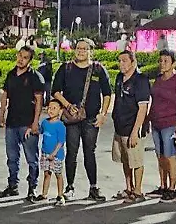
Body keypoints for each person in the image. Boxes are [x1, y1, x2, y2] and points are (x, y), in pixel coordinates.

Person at [52, 39, 112, 201]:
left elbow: (107, 93)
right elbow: (55, 91)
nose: (81, 51)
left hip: (91, 118)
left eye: (85, 49)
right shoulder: (66, 68)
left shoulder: (98, 69)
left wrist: (103, 113)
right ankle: (70, 187)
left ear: (90, 51)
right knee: (71, 153)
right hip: (71, 119)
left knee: (89, 152)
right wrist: (67, 105)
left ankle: (93, 187)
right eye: (78, 48)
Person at [0, 46, 45, 199]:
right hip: (12, 122)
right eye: (19, 56)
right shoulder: (11, 75)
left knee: (31, 158)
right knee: (12, 157)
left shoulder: (35, 77)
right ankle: (12, 185)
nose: (20, 59)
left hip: (28, 124)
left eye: (25, 57)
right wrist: (1, 114)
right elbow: (5, 95)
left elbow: (39, 101)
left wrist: (35, 122)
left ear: (30, 61)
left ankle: (32, 188)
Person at [111, 51, 151, 201]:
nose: (121, 64)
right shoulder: (119, 78)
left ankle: (138, 191)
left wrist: (135, 132)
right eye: (119, 60)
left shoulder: (140, 80)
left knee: (136, 160)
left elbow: (143, 108)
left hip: (133, 127)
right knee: (125, 160)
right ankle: (129, 188)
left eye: (124, 61)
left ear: (133, 62)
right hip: (120, 127)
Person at [148, 50, 176, 200]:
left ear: (173, 63)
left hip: (170, 123)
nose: (162, 63)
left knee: (170, 156)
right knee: (160, 156)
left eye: (166, 61)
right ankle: (163, 185)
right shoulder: (158, 80)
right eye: (161, 60)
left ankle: (172, 188)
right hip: (156, 123)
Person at [37, 99, 68, 206]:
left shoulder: (60, 125)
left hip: (56, 155)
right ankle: (44, 194)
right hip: (45, 153)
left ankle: (60, 195)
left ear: (60, 110)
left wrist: (54, 153)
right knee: (46, 173)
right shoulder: (45, 122)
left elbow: (61, 142)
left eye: (54, 108)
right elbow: (40, 131)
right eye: (49, 108)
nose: (50, 110)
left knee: (58, 174)